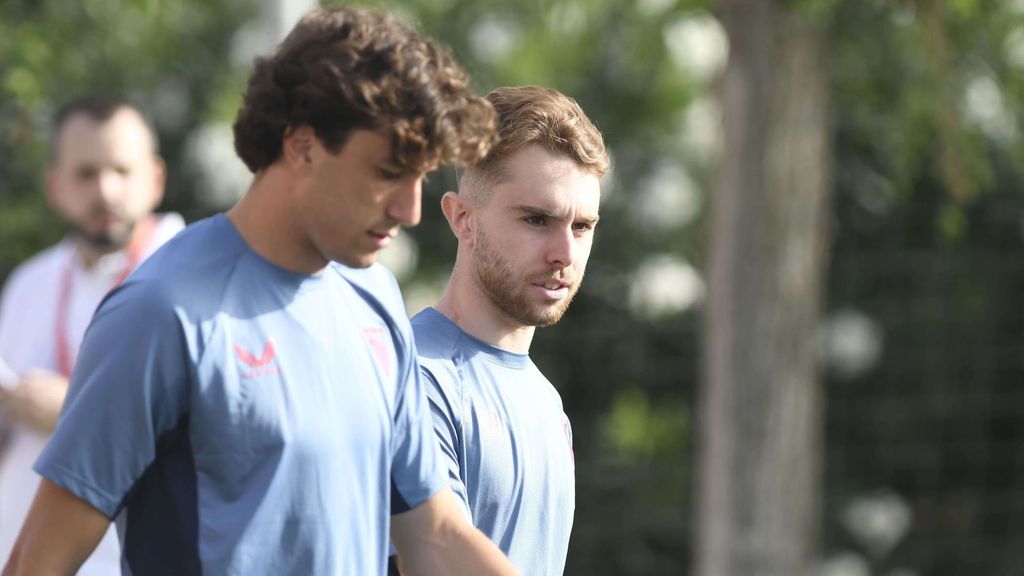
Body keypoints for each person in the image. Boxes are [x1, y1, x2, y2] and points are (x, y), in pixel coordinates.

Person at [2, 7, 517, 576]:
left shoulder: (375, 295)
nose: (411, 209)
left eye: (421, 177)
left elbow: (436, 535)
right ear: (302, 147)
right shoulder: (160, 311)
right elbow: (35, 566)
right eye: (388, 172)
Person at [394, 85, 608, 575]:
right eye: (537, 219)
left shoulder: (548, 403)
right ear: (462, 218)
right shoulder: (413, 378)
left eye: (581, 227)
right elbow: (437, 560)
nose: (564, 253)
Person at [0, 94, 184, 575]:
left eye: (121, 170)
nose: (105, 190)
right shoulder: (28, 283)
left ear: (156, 179)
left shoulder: (191, 276)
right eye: (85, 174)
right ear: (54, 187)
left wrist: (72, 412)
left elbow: (210, 431)